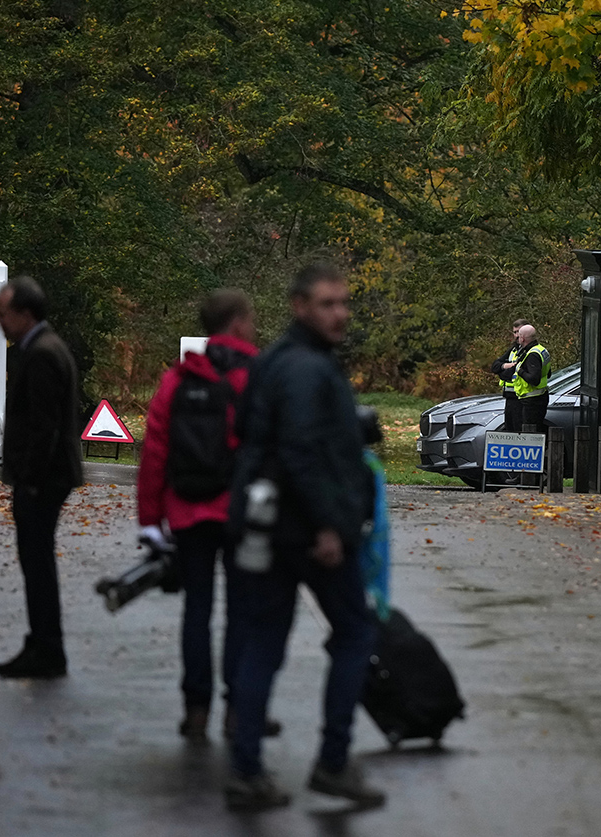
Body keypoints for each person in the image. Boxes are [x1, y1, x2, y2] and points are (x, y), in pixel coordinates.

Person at [223, 263, 384, 811]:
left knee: (263, 642)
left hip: (269, 525)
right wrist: (326, 525)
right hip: (306, 531)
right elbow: (298, 450)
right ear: (299, 306)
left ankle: (247, 770)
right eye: (326, 303)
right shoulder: (303, 369)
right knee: (355, 634)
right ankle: (333, 763)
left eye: (343, 303)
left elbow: (251, 430)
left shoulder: (278, 361)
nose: (339, 313)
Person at [136, 288, 267, 742]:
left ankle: (195, 709)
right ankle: (236, 707)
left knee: (197, 610)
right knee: (241, 611)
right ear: (236, 323)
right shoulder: (256, 377)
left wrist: (150, 520)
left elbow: (155, 451)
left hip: (189, 511)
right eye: (249, 319)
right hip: (242, 512)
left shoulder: (179, 379)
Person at [0, 276, 83, 679]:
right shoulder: (44, 346)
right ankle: (43, 642)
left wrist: (28, 481)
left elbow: (43, 426)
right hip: (46, 477)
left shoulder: (42, 353)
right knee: (37, 560)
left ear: (25, 314)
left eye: (4, 313)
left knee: (37, 561)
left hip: (43, 480)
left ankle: (46, 647)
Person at [490, 318, 529, 433]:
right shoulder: (513, 349)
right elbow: (494, 366)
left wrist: (505, 369)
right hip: (509, 398)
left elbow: (506, 375)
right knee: (510, 431)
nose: (516, 335)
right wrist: (507, 365)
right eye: (515, 332)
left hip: (522, 399)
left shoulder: (528, 351)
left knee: (520, 432)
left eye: (519, 332)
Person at [511, 324, 550, 432]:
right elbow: (548, 373)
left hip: (532, 401)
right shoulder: (541, 350)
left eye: (519, 337)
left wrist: (520, 371)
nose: (518, 339)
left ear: (522, 338)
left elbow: (534, 379)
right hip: (540, 397)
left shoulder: (532, 354)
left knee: (530, 433)